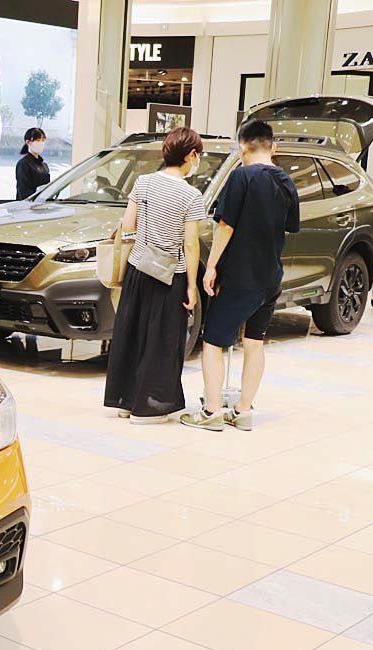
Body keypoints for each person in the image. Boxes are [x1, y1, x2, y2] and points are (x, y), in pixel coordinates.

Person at [181, 119, 299, 432]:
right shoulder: (286, 181)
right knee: (254, 343)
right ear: (273, 147)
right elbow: (288, 227)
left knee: (213, 342)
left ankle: (212, 411)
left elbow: (225, 226)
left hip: (239, 276)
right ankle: (244, 411)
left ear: (242, 146)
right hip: (270, 276)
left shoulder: (241, 176)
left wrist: (212, 266)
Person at [104, 127, 206, 424]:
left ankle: (126, 401)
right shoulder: (191, 195)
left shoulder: (144, 182)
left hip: (138, 269)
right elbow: (190, 244)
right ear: (191, 155)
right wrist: (192, 286)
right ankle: (149, 408)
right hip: (169, 276)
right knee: (162, 341)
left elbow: (128, 224)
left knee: (132, 333)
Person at [15, 127, 50, 200]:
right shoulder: (23, 164)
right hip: (28, 205)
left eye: (43, 140)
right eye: (38, 140)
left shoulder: (44, 165)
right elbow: (23, 191)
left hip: (43, 204)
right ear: (28, 142)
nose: (41, 143)